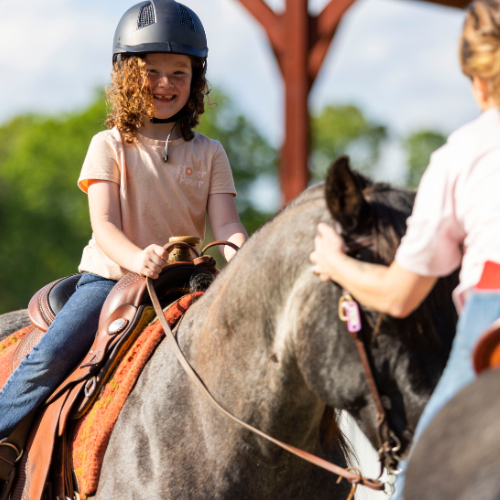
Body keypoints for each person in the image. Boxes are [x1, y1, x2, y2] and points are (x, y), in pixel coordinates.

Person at [0, 0, 247, 441]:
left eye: (180, 73)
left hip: (185, 281)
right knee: (49, 359)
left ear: (197, 80)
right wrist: (138, 257)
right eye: (152, 71)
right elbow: (105, 227)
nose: (166, 83)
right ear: (127, 76)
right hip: (110, 280)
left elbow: (227, 227)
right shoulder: (108, 145)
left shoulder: (211, 152)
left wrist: (245, 259)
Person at [309, 0, 500, 496]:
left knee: (416, 478)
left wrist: (334, 261)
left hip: (492, 311)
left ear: (475, 76)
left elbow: (398, 296)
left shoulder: (461, 155)